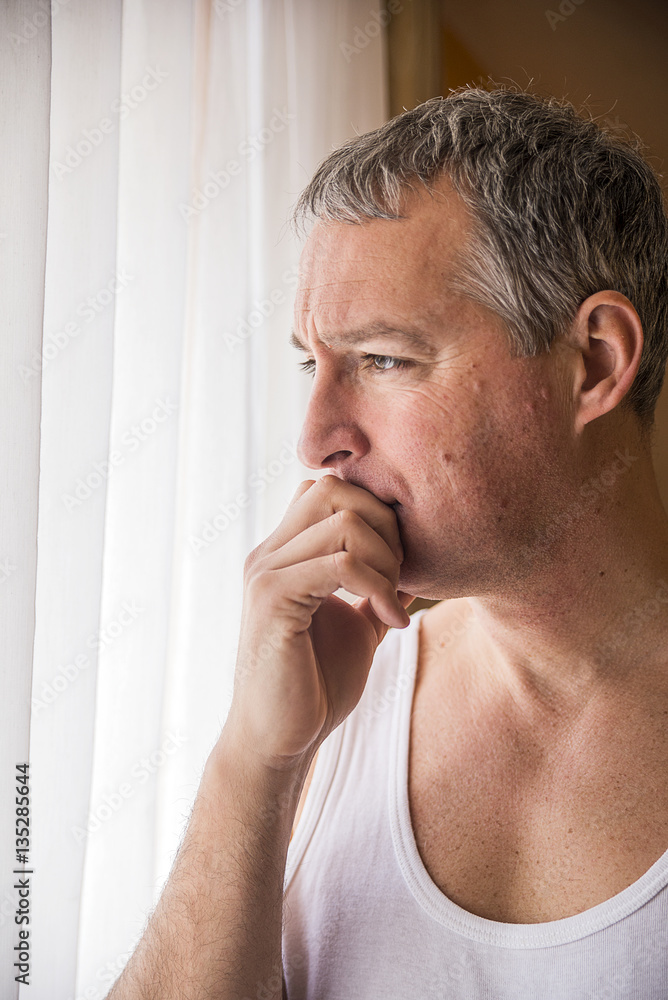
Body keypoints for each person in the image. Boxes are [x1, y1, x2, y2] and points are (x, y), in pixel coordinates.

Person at [107, 86, 668, 999]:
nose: (315, 436)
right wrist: (258, 758)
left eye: (383, 360)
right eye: (312, 363)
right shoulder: (329, 700)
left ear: (596, 362)